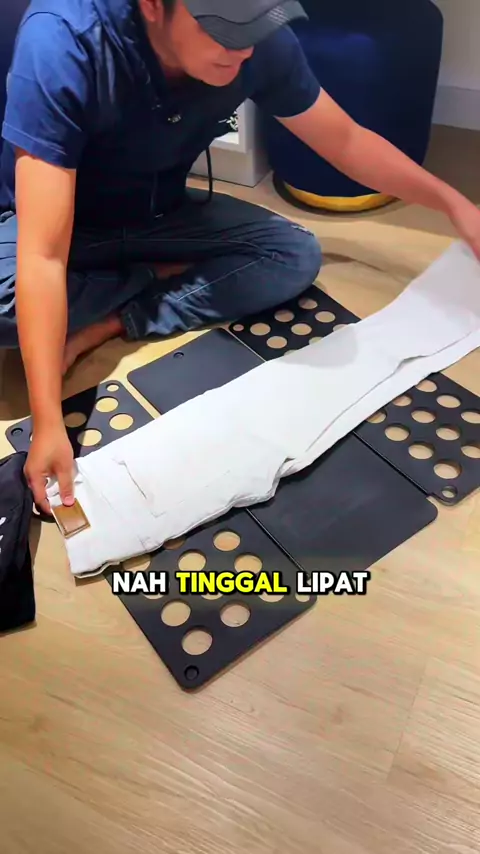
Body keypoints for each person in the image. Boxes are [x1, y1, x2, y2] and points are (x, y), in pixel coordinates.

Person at [0, 0, 479, 515]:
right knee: (7, 309)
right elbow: (43, 256)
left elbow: (344, 140)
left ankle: (112, 317)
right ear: (153, 6)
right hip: (63, 224)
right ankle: (147, 276)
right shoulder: (63, 41)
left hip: (160, 214)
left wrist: (455, 204)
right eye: (224, 31)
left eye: (255, 29)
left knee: (292, 253)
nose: (244, 49)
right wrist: (48, 422)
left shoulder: (258, 42)